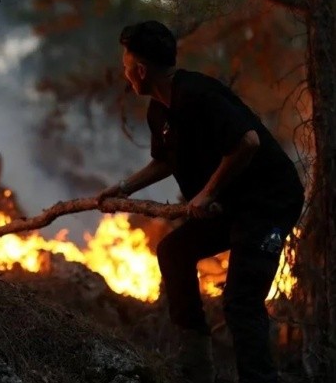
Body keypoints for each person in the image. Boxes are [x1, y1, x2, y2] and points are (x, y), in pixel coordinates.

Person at [97, 20, 304, 383]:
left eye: (126, 64)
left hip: (268, 203)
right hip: (229, 204)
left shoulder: (198, 94)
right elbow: (165, 160)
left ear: (141, 70)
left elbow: (248, 142)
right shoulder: (159, 111)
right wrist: (124, 187)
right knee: (174, 251)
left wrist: (207, 192)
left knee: (241, 300)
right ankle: (195, 368)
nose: (124, 72)